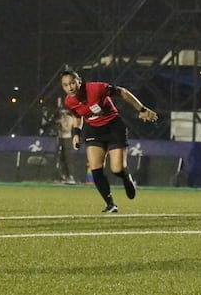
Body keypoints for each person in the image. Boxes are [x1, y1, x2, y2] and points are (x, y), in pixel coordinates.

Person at [60, 68, 158, 212]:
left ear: (79, 82)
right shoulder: (69, 101)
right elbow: (77, 117)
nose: (70, 87)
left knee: (117, 169)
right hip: (94, 130)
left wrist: (142, 110)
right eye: (66, 85)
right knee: (95, 169)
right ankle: (110, 204)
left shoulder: (96, 88)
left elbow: (122, 92)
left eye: (72, 83)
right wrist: (76, 134)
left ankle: (126, 178)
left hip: (113, 127)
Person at [55, 104, 77, 185]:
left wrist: (62, 123)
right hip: (60, 138)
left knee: (68, 158)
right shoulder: (61, 118)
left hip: (67, 139)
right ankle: (63, 176)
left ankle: (71, 176)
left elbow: (67, 129)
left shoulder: (70, 119)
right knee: (61, 158)